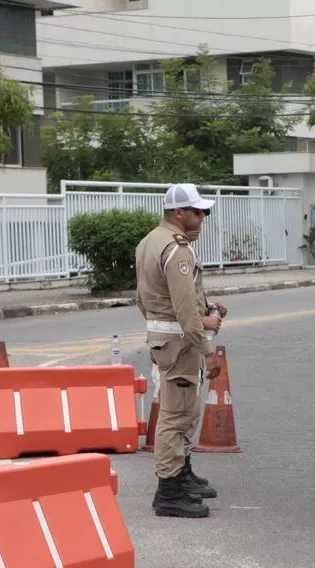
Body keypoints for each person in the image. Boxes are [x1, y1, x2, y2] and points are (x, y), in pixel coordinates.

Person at [135, 182, 225, 518]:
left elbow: (144, 299)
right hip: (181, 342)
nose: (203, 217)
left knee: (182, 411)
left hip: (166, 339)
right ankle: (169, 490)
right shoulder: (177, 249)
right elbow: (185, 308)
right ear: (179, 213)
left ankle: (181, 474)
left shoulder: (150, 242)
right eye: (198, 211)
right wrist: (206, 347)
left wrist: (206, 308)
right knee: (176, 417)